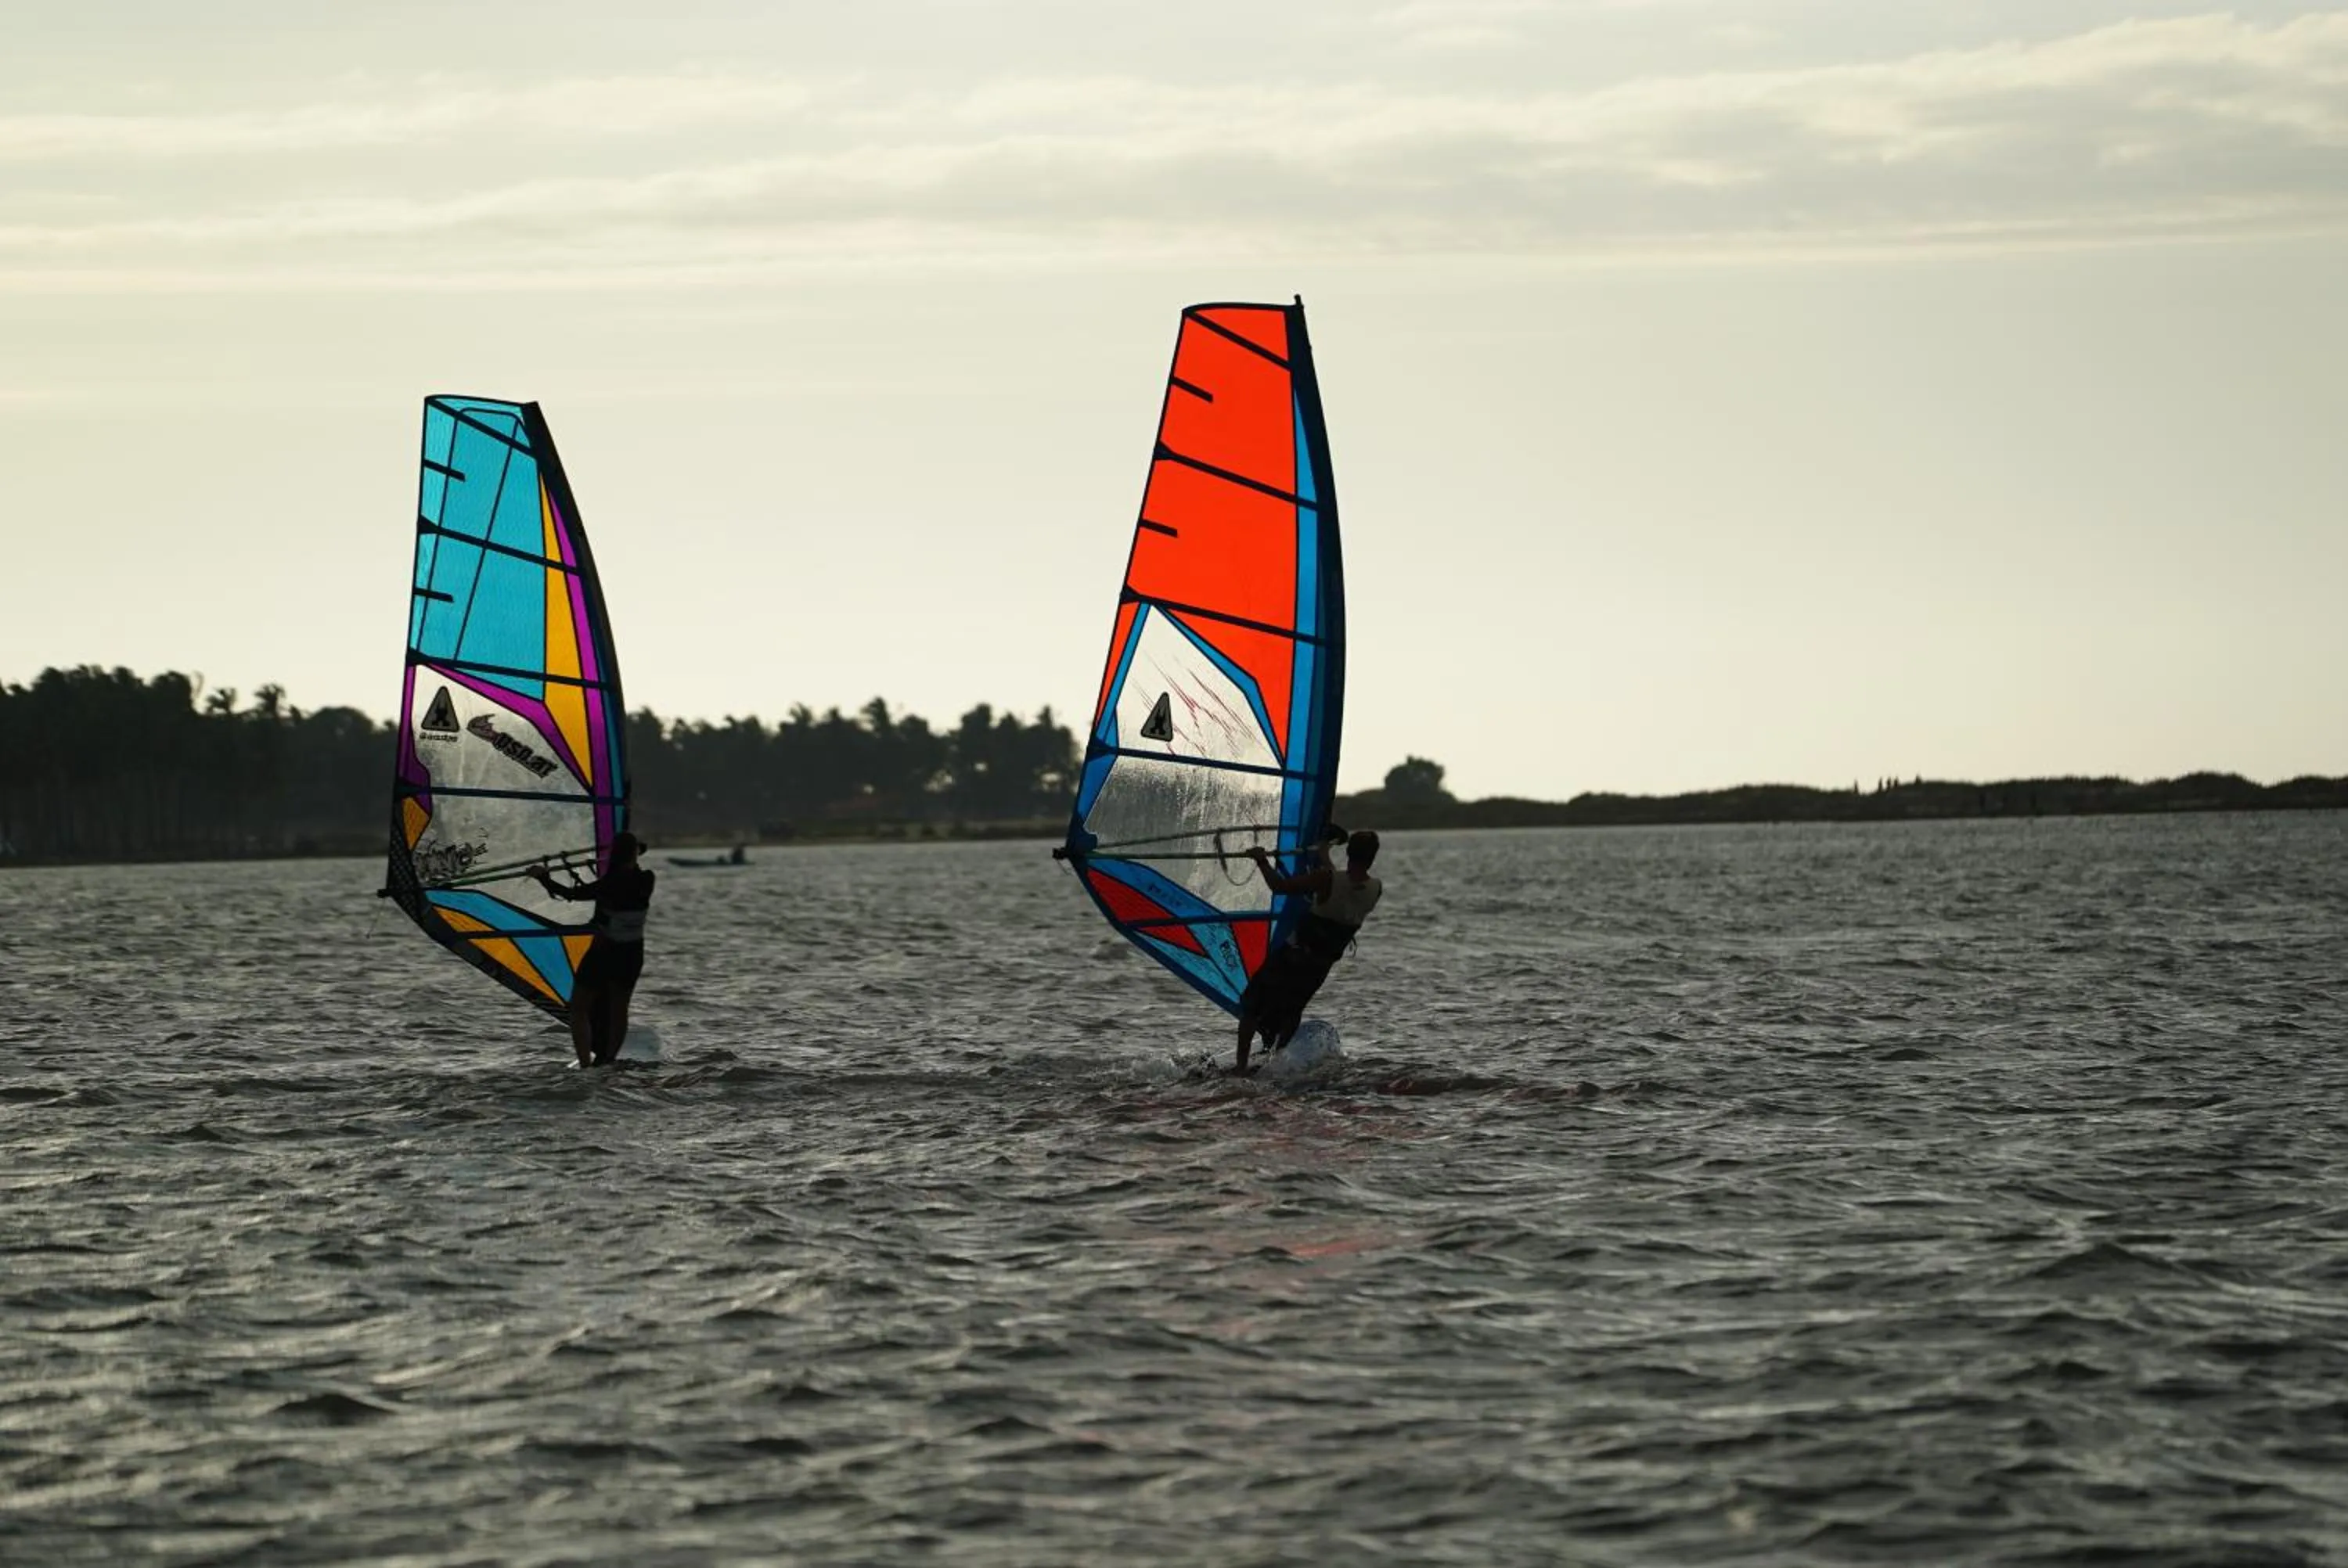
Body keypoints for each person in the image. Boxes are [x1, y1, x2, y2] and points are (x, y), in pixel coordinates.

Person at [1233, 826, 1383, 1074]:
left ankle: (1241, 1067)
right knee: (1293, 1010)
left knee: (1251, 1005)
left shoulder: (1326, 879)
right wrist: (1324, 854)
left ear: (1349, 852)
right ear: (1372, 857)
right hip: (1320, 966)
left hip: (1292, 957)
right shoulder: (1375, 889)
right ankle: (1276, 1063)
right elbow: (1340, 885)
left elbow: (1279, 886)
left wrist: (1261, 860)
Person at [528, 830, 656, 1066]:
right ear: (634, 854)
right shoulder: (647, 879)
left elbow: (571, 894)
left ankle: (585, 1063)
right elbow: (629, 868)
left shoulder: (609, 883)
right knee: (619, 1009)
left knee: (578, 1007)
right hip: (631, 955)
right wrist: (635, 850)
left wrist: (543, 878)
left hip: (603, 953)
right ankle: (609, 1059)